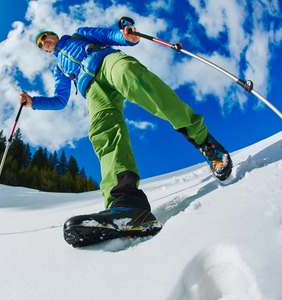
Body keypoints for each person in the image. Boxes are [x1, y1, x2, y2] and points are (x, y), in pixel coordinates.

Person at [19, 25, 232, 247]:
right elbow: (60, 100)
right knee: (103, 130)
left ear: (53, 34)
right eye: (41, 44)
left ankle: (204, 141)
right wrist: (34, 101)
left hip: (106, 61)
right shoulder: (60, 70)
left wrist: (124, 37)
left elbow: (106, 35)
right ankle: (126, 205)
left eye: (45, 37)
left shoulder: (77, 35)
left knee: (136, 81)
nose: (44, 43)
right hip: (91, 88)